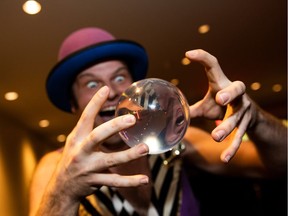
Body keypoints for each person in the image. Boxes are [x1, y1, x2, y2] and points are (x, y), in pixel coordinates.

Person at [29, 27, 287, 216]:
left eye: (120, 78)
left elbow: (277, 165)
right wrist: (64, 193)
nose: (111, 90)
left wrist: (257, 119)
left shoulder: (174, 140)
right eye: (92, 83)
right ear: (74, 105)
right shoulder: (56, 167)